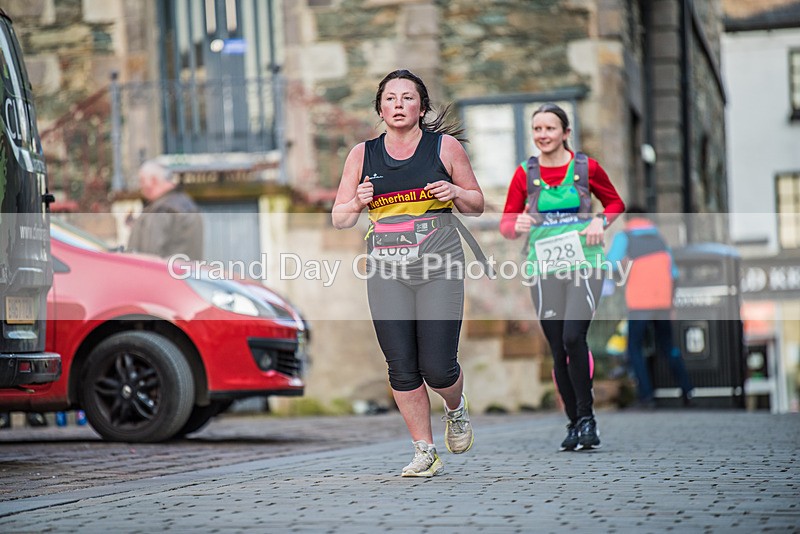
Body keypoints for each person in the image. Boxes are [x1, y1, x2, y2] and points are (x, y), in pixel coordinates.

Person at [332, 69, 485, 477]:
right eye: (390, 98)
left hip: (439, 265)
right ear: (380, 107)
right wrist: (357, 203)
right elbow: (339, 218)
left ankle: (455, 407)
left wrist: (455, 192)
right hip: (386, 270)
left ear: (422, 107)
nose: (398, 105)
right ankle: (424, 450)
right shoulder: (362, 155)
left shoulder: (444, 147)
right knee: (400, 364)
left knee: (437, 366)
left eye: (408, 98)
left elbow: (476, 204)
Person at [500, 103, 625, 451]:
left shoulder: (586, 168)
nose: (543, 135)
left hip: (585, 262)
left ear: (566, 133)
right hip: (543, 267)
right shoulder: (525, 174)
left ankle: (587, 418)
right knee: (557, 349)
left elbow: (615, 203)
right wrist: (517, 224)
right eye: (537, 129)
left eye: (550, 129)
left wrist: (601, 221)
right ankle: (574, 423)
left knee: (574, 338)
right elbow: (507, 224)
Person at [606, 206, 693, 407]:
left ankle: (647, 396)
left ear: (628, 220)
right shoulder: (659, 239)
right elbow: (674, 274)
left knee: (634, 348)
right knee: (668, 346)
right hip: (662, 301)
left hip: (639, 302)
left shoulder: (624, 237)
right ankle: (688, 390)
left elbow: (609, 265)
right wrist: (670, 303)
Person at [128, 160, 204, 261]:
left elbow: (149, 256)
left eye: (142, 181)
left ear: (153, 180)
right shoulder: (187, 204)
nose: (140, 187)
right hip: (187, 274)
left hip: (161, 274)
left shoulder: (161, 210)